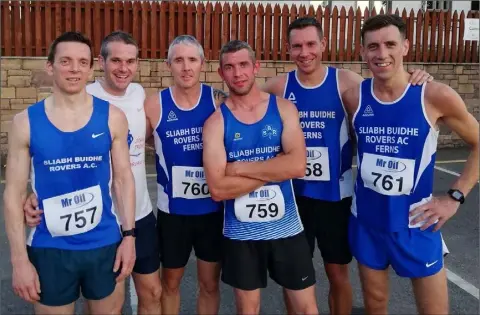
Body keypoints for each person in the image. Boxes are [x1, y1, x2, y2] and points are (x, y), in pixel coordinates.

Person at [262, 16, 434, 315]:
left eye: (311, 44)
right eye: (297, 46)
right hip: (293, 199)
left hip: (336, 200)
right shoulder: (278, 86)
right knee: (295, 280)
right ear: (288, 50)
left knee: (337, 274)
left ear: (323, 45)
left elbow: (388, 93)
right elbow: (243, 105)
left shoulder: (347, 83)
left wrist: (420, 77)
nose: (305, 52)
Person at [341, 14, 479, 314]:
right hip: (367, 222)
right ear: (362, 52)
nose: (382, 53)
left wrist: (455, 197)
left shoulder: (434, 95)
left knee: (434, 310)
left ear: (406, 46)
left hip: (418, 223)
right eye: (373, 46)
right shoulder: (354, 97)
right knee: (375, 305)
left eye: (390, 44)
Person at [22, 31, 162, 315]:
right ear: (100, 62)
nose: (124, 68)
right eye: (116, 61)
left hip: (139, 216)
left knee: (152, 291)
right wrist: (30, 193)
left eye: (131, 61)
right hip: (103, 224)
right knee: (105, 301)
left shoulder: (139, 95)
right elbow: (51, 147)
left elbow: (155, 135)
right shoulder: (84, 94)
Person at [202, 39, 318, 315]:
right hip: (241, 236)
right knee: (248, 310)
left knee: (306, 309)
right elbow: (218, 188)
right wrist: (276, 169)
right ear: (221, 73)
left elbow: (298, 166)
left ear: (256, 67)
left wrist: (240, 167)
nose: (237, 73)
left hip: (288, 230)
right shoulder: (216, 122)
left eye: (243, 65)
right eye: (229, 67)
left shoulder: (283, 109)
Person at [143, 35, 227, 315]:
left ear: (202, 64)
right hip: (173, 214)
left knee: (209, 284)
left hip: (212, 211)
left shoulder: (218, 102)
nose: (186, 67)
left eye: (192, 59)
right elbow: (129, 150)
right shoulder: (155, 105)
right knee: (170, 283)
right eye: (178, 60)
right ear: (168, 64)